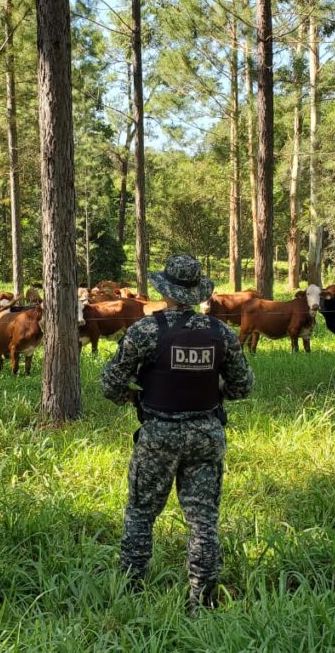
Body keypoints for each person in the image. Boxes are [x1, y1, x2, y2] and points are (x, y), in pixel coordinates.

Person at [100, 255, 253, 613]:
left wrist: (134, 397)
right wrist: (214, 393)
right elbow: (243, 386)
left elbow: (110, 383)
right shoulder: (221, 333)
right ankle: (203, 600)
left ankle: (130, 591)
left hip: (158, 435)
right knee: (202, 519)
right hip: (206, 434)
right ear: (197, 291)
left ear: (165, 290)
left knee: (140, 512)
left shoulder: (145, 331)